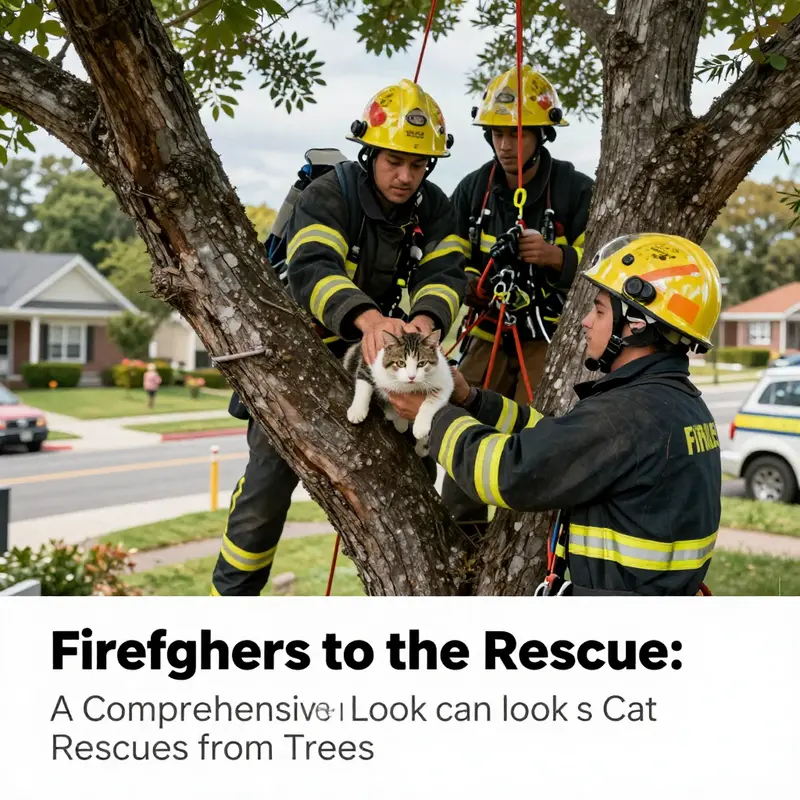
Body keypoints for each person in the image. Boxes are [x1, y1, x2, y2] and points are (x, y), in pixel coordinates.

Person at [210, 79, 468, 596]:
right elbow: (312, 267)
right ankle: (229, 602)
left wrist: (423, 324)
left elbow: (446, 274)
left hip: (387, 362)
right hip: (302, 352)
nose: (405, 176)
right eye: (395, 161)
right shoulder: (330, 193)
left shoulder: (435, 207)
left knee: (412, 472)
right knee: (266, 488)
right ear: (370, 151)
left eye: (418, 166)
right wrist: (370, 321)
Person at [388, 232, 723, 596]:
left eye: (598, 310)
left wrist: (431, 414)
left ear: (637, 324)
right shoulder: (675, 403)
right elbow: (557, 442)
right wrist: (472, 400)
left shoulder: (626, 414)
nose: (584, 322)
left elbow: (509, 473)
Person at [441, 65, 594, 535]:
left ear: (542, 134)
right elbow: (447, 258)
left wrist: (557, 258)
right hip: (488, 331)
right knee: (460, 418)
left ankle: (523, 539)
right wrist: (472, 282)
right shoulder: (473, 188)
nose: (505, 145)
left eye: (517, 134)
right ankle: (464, 536)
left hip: (544, 335)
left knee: (536, 433)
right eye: (497, 133)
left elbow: (601, 265)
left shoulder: (574, 188)